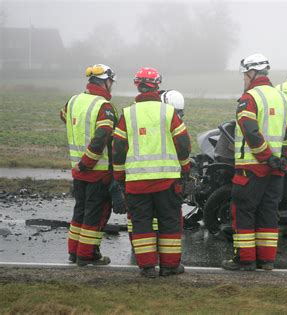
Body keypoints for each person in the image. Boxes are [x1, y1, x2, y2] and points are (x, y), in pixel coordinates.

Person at [221, 54, 287, 271]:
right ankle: (266, 261)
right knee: (268, 213)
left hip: (251, 169)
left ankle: (245, 260)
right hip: (276, 171)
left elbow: (250, 131)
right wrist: (283, 157)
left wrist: (268, 158)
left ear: (252, 73)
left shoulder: (249, 98)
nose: (244, 80)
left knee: (244, 212)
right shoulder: (283, 98)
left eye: (245, 75)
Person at [112, 67, 191, 278]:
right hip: (167, 182)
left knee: (142, 224)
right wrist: (185, 168)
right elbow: (183, 144)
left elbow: (118, 149)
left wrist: (120, 177)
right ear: (157, 86)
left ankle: (147, 267)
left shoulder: (127, 114)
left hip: (136, 184)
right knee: (169, 222)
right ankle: (170, 266)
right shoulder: (169, 112)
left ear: (138, 85)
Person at [59, 64, 117, 266]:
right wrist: (88, 162)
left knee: (80, 211)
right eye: (111, 82)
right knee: (96, 214)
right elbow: (101, 138)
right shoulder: (104, 107)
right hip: (96, 172)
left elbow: (64, 116)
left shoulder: (73, 101)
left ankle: (73, 252)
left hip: (78, 170)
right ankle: (87, 254)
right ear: (105, 82)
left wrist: (81, 164)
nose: (112, 86)